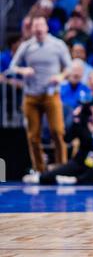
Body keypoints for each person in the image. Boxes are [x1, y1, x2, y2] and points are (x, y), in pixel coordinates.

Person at [10, 16, 72, 174]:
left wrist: (60, 76)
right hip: (31, 95)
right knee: (33, 136)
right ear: (32, 30)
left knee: (57, 131)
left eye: (40, 25)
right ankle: (40, 170)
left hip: (51, 94)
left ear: (46, 27)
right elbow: (13, 67)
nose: (38, 29)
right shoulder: (26, 46)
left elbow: (69, 67)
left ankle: (61, 167)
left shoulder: (58, 45)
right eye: (35, 26)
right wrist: (23, 70)